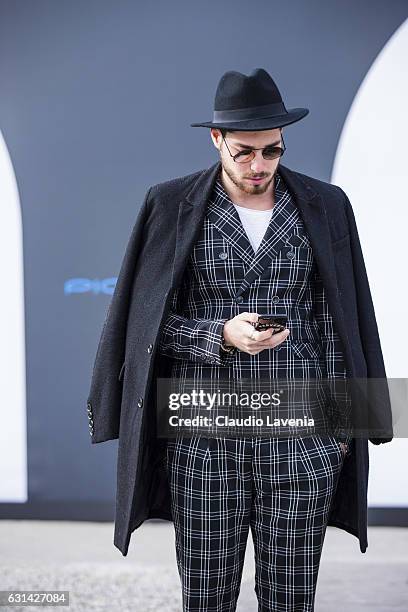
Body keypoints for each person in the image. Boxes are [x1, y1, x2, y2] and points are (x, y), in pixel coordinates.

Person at [86, 68, 393, 612]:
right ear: (216, 140)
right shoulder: (171, 204)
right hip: (205, 438)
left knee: (293, 599)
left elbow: (341, 322)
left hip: (303, 438)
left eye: (271, 151)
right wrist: (218, 336)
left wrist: (346, 429)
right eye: (244, 151)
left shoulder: (326, 205)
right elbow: (144, 327)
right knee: (206, 598)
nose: (258, 166)